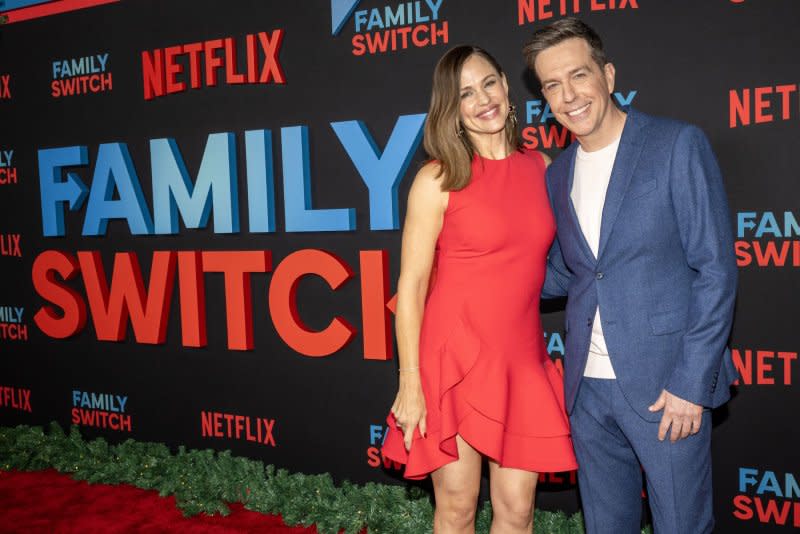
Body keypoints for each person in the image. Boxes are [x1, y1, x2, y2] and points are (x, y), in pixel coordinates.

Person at [522, 18, 738, 534]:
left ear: (608, 74)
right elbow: (571, 271)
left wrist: (692, 383)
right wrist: (485, 274)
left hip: (666, 386)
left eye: (578, 75)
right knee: (605, 525)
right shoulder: (557, 173)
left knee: (683, 525)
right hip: (587, 390)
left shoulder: (675, 144)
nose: (568, 95)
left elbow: (716, 268)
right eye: (552, 85)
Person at [380, 45, 578, 533]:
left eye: (489, 83)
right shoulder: (438, 178)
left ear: (508, 88)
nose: (482, 99)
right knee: (457, 508)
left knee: (518, 512)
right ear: (451, 108)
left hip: (520, 362)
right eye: (465, 93)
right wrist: (411, 382)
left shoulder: (544, 169)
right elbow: (412, 285)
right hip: (452, 364)